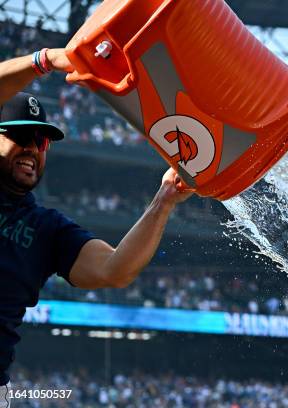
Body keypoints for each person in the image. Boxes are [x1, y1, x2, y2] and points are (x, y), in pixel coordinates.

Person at [0, 48, 193, 406]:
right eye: (19, 136)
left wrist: (163, 200)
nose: (31, 148)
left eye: (40, 141)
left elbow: (115, 269)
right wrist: (42, 61)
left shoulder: (47, 229)